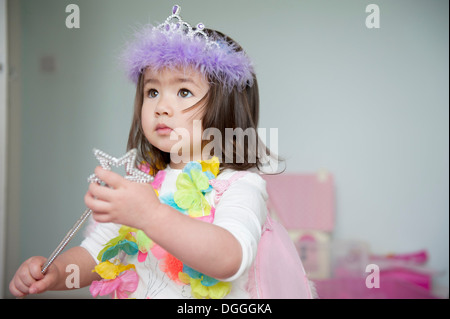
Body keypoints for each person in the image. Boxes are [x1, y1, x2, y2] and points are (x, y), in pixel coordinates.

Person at [9, 5, 283, 299]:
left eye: (183, 92)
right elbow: (97, 255)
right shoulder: (137, 185)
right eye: (152, 92)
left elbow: (229, 259)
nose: (160, 107)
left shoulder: (239, 186)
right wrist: (59, 272)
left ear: (227, 107)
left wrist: (150, 215)